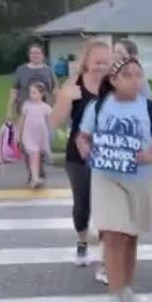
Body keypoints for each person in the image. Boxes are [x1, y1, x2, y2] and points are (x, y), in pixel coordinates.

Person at [77, 55, 152, 302]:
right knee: (113, 235)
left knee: (130, 237)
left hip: (139, 179)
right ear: (114, 80)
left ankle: (125, 287)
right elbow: (83, 136)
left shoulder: (151, 109)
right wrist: (86, 150)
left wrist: (151, 156)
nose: (135, 80)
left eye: (138, 74)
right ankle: (115, 299)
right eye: (128, 75)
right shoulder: (98, 107)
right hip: (106, 178)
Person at [52, 40, 114, 279]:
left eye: (106, 62)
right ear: (86, 62)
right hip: (78, 157)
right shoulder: (74, 84)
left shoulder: (115, 85)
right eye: (97, 62)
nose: (101, 67)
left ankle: (106, 264)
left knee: (107, 209)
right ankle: (82, 243)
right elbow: (54, 122)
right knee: (83, 206)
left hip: (109, 157)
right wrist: (66, 99)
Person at [7, 42, 57, 184]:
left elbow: (54, 89)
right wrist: (9, 109)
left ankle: (39, 167)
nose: (35, 55)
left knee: (42, 141)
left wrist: (59, 107)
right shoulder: (21, 70)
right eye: (32, 53)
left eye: (38, 53)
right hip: (25, 109)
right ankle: (32, 171)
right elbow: (14, 90)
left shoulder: (48, 71)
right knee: (26, 143)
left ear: (42, 55)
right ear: (29, 55)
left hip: (42, 112)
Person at [17, 81, 53, 189]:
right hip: (29, 134)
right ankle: (35, 178)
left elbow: (49, 122)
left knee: (37, 156)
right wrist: (18, 135)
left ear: (41, 94)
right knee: (34, 155)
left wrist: (51, 133)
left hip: (41, 135)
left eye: (34, 92)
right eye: (30, 92)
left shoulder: (46, 107)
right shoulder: (27, 106)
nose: (31, 95)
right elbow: (21, 121)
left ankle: (36, 177)